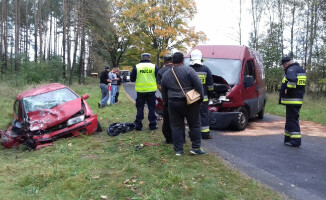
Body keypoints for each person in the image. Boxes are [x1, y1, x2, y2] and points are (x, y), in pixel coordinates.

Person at [161, 52, 205, 156]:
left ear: (172, 61)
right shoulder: (189, 70)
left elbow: (164, 90)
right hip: (190, 102)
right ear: (183, 60)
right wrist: (200, 99)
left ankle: (178, 150)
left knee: (176, 126)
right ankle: (196, 148)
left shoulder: (167, 74)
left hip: (173, 102)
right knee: (194, 125)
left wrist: (166, 103)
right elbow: (198, 85)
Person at [279, 57, 306, 147]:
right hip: (297, 99)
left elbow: (293, 82)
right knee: (290, 119)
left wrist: (287, 90)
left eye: (284, 65)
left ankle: (295, 141)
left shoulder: (291, 70)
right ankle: (288, 138)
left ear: (286, 63)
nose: (283, 67)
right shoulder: (300, 69)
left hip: (292, 99)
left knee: (292, 120)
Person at [189, 49, 214, 139]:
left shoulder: (188, 69)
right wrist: (210, 94)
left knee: (192, 116)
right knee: (204, 115)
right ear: (201, 58)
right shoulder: (206, 69)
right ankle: (205, 134)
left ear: (191, 58)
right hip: (204, 97)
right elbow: (210, 85)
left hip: (191, 97)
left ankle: (192, 134)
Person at [130, 53, 158, 131]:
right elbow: (158, 77)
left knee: (140, 108)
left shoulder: (137, 67)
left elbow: (132, 79)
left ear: (142, 58)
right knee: (151, 108)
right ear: (149, 58)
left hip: (140, 91)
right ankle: (152, 125)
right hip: (151, 91)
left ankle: (138, 125)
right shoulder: (154, 67)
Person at [157, 54, 174, 144]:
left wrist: (164, 92)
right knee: (179, 119)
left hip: (166, 99)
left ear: (164, 62)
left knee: (167, 119)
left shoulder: (161, 71)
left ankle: (168, 138)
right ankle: (180, 138)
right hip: (179, 98)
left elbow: (159, 86)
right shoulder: (179, 69)